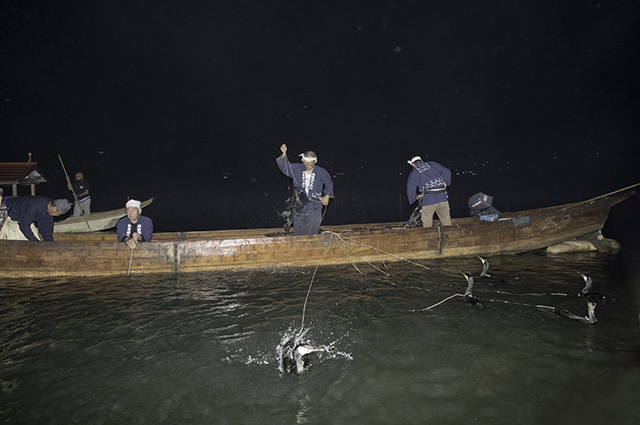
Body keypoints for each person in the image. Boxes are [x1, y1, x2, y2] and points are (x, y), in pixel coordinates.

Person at [276, 144, 334, 235]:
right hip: (299, 206)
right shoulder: (298, 169)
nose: (307, 165)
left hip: (315, 207)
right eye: (305, 162)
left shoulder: (321, 171)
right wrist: (283, 153)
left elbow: (329, 183)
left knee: (313, 233)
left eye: (309, 163)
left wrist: (327, 196)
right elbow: (284, 167)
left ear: (315, 161)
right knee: (299, 234)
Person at [406, 155, 452, 227]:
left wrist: (414, 198)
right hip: (442, 197)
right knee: (447, 223)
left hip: (428, 200)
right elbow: (447, 171)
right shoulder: (432, 164)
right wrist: (446, 183)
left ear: (413, 164)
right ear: (422, 161)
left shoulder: (414, 173)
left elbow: (410, 189)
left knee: (427, 226)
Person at [0, 196, 72, 241]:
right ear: (55, 208)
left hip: (22, 219)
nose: (57, 216)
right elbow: (24, 226)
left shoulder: (49, 213)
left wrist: (51, 245)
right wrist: (35, 243)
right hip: (7, 214)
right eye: (58, 213)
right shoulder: (34, 206)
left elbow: (46, 231)